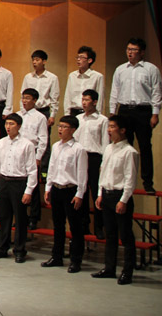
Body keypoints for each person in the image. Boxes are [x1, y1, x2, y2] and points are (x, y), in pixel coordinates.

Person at [109, 37, 160, 193]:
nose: (130, 52)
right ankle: (125, 181)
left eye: (134, 50)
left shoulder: (151, 69)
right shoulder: (120, 69)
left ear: (142, 52)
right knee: (124, 146)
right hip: (124, 110)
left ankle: (147, 182)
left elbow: (156, 92)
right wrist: (112, 112)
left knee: (145, 146)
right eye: (128, 49)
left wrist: (155, 113)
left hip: (143, 110)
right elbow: (115, 91)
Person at [92, 115, 139, 285]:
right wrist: (100, 194)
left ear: (122, 130)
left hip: (120, 196)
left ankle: (127, 271)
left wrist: (124, 200)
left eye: (112, 127)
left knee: (125, 235)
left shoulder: (130, 152)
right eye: (109, 127)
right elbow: (103, 172)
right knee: (110, 234)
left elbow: (130, 179)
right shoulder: (108, 149)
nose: (109, 130)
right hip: (106, 194)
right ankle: (109, 268)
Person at [41, 115, 87, 273]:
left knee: (75, 227)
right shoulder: (56, 146)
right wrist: (48, 188)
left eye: (64, 127)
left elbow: (82, 173)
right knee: (58, 225)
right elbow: (52, 168)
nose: (60, 129)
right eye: (59, 126)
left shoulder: (78, 149)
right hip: (56, 188)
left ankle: (76, 260)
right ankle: (57, 256)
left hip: (71, 190)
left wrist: (80, 194)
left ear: (73, 130)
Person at [0, 113, 38, 263]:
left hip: (19, 182)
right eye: (6, 124)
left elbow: (32, 170)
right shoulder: (1, 143)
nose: (8, 127)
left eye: (11, 124)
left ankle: (19, 250)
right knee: (4, 217)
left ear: (19, 126)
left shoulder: (27, 144)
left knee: (20, 218)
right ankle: (2, 247)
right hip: (4, 181)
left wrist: (28, 190)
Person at [75, 89, 109, 239]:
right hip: (80, 157)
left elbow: (105, 143)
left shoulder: (102, 120)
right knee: (81, 191)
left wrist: (104, 163)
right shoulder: (78, 118)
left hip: (95, 157)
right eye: (82, 99)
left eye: (87, 100)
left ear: (95, 102)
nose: (83, 103)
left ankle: (99, 227)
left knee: (96, 192)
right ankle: (83, 225)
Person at [18, 87, 48, 230]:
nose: (24, 101)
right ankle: (21, 217)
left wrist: (38, 157)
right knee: (20, 186)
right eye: (23, 98)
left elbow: (43, 139)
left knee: (33, 187)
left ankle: (34, 218)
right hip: (18, 153)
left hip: (32, 153)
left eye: (28, 98)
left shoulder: (40, 117)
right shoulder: (18, 115)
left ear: (35, 100)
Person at [64, 45, 104, 117]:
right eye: (78, 57)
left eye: (82, 57)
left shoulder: (97, 76)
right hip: (74, 112)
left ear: (89, 60)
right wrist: (67, 114)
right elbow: (68, 96)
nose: (78, 59)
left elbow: (100, 98)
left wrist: (98, 115)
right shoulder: (72, 76)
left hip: (89, 112)